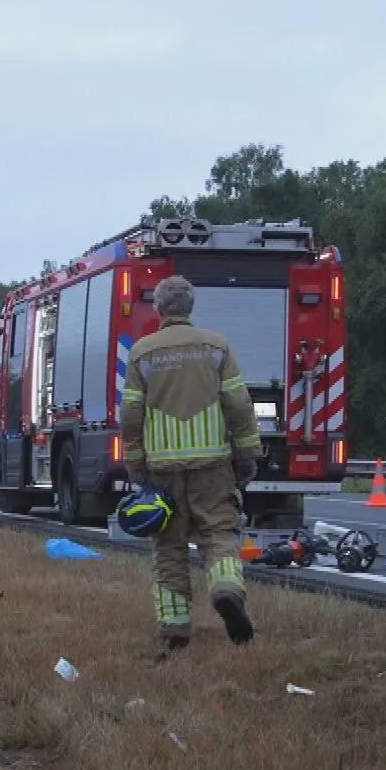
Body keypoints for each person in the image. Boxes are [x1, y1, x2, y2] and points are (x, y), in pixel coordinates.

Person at [119, 275, 260, 651]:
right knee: (218, 535)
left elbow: (131, 414)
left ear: (159, 309)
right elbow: (239, 405)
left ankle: (175, 632)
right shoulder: (217, 346)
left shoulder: (142, 353)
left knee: (169, 549)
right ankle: (226, 590)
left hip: (162, 472)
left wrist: (134, 461)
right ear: (190, 307)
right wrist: (247, 453)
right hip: (212, 466)